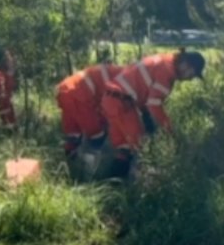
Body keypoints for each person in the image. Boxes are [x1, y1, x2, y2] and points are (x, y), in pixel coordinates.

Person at [101, 49, 206, 178]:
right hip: (122, 104)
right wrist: (169, 130)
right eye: (192, 74)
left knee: (125, 148)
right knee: (142, 148)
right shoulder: (167, 73)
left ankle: (113, 186)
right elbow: (154, 104)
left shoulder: (164, 60)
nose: (190, 79)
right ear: (186, 65)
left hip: (111, 99)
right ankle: (139, 185)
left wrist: (146, 116)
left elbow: (143, 92)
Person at [56, 56, 123, 166]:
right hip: (78, 95)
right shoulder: (123, 78)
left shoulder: (114, 73)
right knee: (96, 134)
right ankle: (91, 171)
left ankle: (70, 167)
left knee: (73, 133)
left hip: (68, 91)